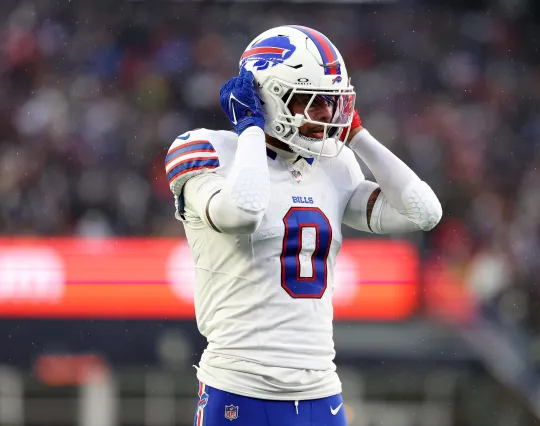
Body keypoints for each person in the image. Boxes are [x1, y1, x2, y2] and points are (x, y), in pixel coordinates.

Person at [164, 25, 443, 426]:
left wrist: (358, 136)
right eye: (309, 101)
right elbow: (242, 212)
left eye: (330, 102)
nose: (326, 115)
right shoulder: (208, 149)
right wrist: (251, 128)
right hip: (240, 387)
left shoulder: (334, 164)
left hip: (321, 391)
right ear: (266, 97)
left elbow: (424, 212)